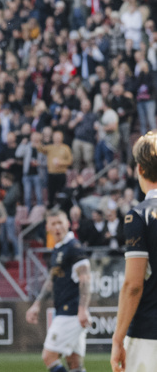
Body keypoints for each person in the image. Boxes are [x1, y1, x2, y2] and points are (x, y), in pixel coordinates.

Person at [111, 132, 157, 372]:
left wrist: (118, 338)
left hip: (149, 333)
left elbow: (133, 285)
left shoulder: (139, 216)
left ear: (139, 168)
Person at [25, 210, 92, 372]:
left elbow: (85, 279)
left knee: (49, 357)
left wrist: (82, 309)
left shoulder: (74, 247)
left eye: (60, 222)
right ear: (47, 227)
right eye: (53, 224)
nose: (57, 227)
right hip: (67, 311)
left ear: (68, 224)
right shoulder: (58, 249)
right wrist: (37, 304)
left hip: (70, 312)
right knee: (74, 362)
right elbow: (51, 280)